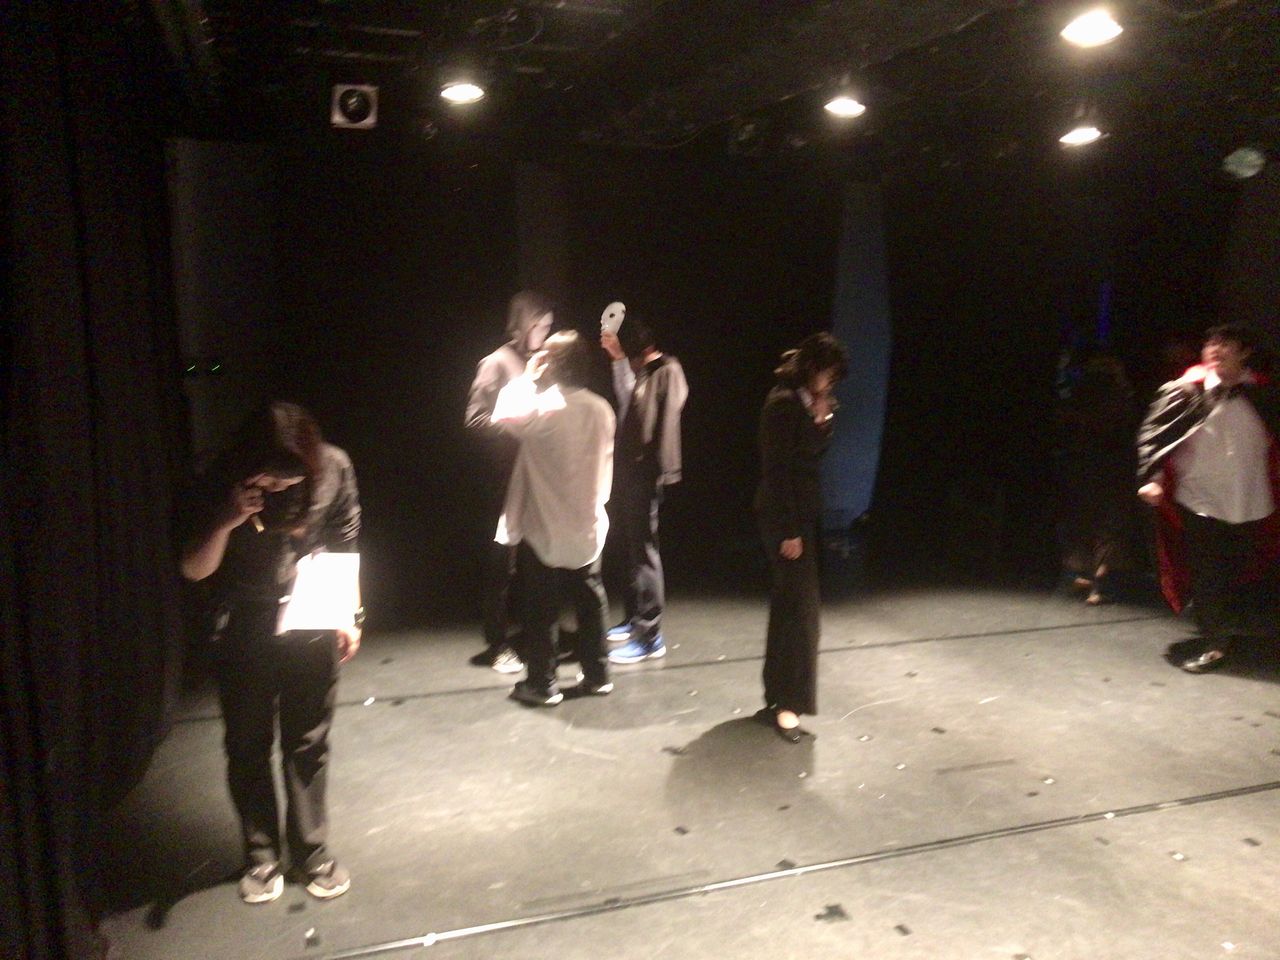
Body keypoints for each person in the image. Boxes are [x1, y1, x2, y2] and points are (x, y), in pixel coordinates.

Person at [180, 402, 362, 903]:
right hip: (244, 620)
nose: (279, 487)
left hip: (311, 613)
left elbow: (346, 541)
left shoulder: (333, 467)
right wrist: (227, 520)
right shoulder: (219, 475)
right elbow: (194, 569)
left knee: (309, 739)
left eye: (289, 479)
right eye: (271, 478)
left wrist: (349, 613)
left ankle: (311, 851)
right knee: (247, 742)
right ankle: (261, 854)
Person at [1136, 323, 1280, 672]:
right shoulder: (1186, 391)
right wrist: (1152, 478)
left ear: (1244, 352)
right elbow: (1155, 436)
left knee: (1242, 571)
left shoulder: (1262, 393)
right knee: (1208, 574)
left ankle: (1229, 632)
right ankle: (1215, 642)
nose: (1215, 349)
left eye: (1225, 343)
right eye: (1211, 343)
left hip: (1251, 500)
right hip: (1200, 499)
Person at [491, 331, 616, 706]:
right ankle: (598, 674)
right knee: (590, 597)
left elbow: (503, 414)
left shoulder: (544, 407)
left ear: (552, 364)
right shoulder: (601, 408)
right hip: (587, 518)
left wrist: (527, 377)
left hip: (544, 521)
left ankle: (542, 683)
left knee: (541, 606)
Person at [753, 333, 848, 742]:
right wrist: (790, 531)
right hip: (784, 518)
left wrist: (822, 420)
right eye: (829, 374)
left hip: (801, 515)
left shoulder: (808, 402)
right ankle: (789, 704)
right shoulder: (783, 403)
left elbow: (811, 455)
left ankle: (778, 696)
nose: (831, 382)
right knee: (802, 616)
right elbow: (777, 471)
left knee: (789, 609)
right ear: (813, 368)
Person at [464, 291, 555, 673]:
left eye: (549, 327)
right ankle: (497, 643)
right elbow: (474, 419)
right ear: (524, 323)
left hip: (536, 475)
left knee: (535, 561)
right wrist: (512, 429)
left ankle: (532, 635)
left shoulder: (539, 361)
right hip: (503, 479)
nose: (546, 334)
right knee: (501, 564)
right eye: (542, 326)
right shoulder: (496, 362)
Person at [600, 316, 688, 663]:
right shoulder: (648, 372)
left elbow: (645, 418)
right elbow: (630, 405)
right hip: (632, 471)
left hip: (645, 472)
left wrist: (622, 362)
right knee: (633, 549)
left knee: (645, 552)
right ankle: (635, 618)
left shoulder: (667, 370)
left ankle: (650, 635)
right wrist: (620, 360)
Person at [1057, 353, 1142, 604]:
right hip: (1114, 463)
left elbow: (1067, 420)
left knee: (1083, 516)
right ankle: (1101, 579)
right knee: (1110, 522)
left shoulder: (1081, 393)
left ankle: (1084, 571)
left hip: (1084, 461)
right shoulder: (1122, 395)